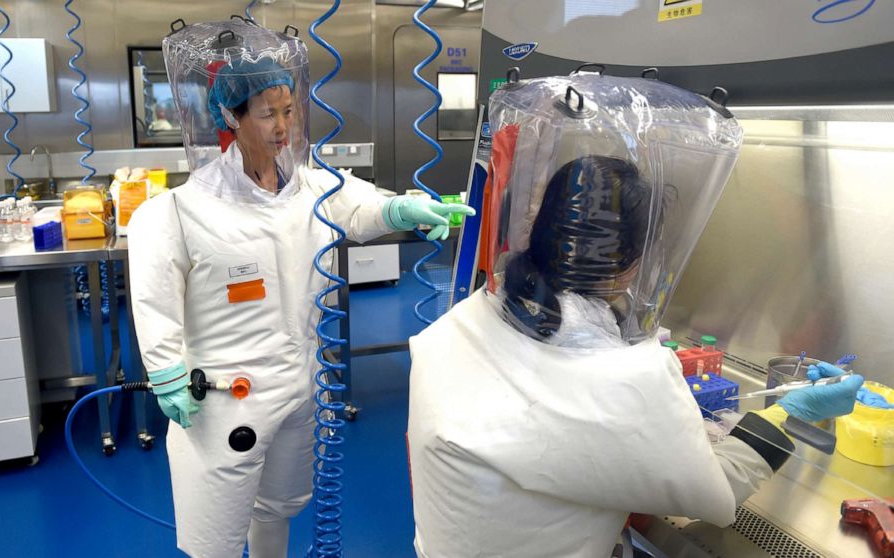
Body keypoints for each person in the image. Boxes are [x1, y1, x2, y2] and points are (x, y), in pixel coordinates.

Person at [406, 74, 863, 558]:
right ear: (632, 260)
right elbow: (716, 496)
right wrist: (792, 414)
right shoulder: (623, 378)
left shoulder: (470, 318)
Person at [127, 20, 472, 558]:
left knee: (279, 508)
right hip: (224, 400)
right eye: (266, 114)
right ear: (230, 117)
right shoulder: (176, 211)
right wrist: (167, 371)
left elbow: (360, 206)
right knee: (214, 535)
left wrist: (403, 207)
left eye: (289, 111)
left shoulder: (310, 186)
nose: (282, 127)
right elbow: (153, 298)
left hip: (303, 386)